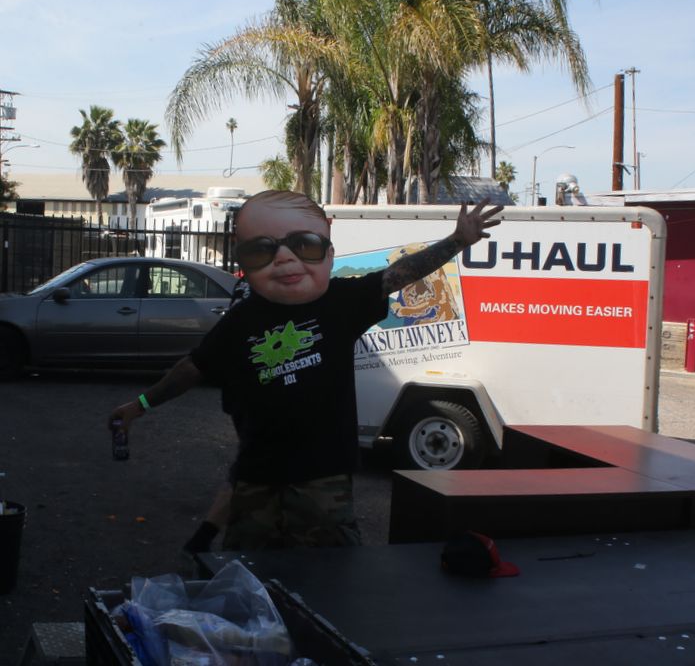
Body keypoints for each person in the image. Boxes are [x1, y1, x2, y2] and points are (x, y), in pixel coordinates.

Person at [109, 190, 501, 551]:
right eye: (263, 251)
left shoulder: (341, 302)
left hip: (322, 477)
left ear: (328, 253)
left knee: (330, 577)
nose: (285, 259)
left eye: (304, 246)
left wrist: (456, 241)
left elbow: (400, 274)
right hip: (257, 475)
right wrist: (140, 405)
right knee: (250, 577)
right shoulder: (241, 319)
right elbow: (192, 368)